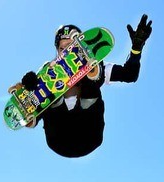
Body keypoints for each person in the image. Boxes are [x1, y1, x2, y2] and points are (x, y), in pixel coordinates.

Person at [15, 15, 152, 158]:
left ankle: (91, 72)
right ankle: (42, 95)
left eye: (70, 48)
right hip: (59, 139)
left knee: (92, 72)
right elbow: (31, 122)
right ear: (57, 50)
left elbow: (130, 74)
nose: (66, 53)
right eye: (63, 49)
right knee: (49, 83)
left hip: (88, 135)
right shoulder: (48, 74)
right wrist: (28, 90)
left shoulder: (99, 66)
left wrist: (136, 49)